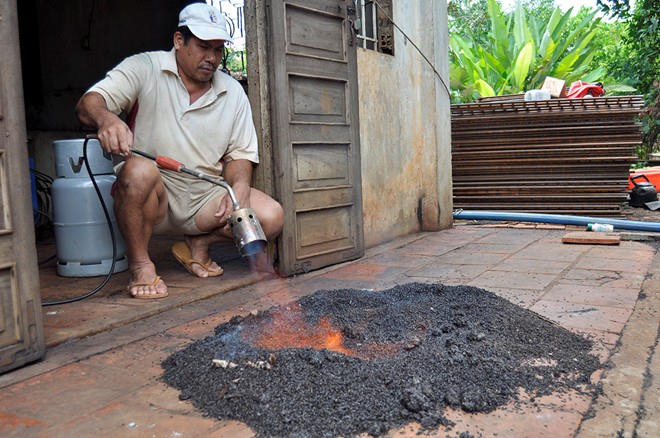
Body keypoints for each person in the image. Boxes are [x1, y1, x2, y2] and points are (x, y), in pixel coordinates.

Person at [76, 3, 284, 299]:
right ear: (179, 41)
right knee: (136, 170)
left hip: (204, 198)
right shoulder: (145, 67)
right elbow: (88, 103)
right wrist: (107, 119)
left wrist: (239, 187)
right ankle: (140, 264)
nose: (211, 58)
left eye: (218, 49)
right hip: (154, 194)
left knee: (271, 217)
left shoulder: (232, 91)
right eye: (202, 47)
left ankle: (198, 244)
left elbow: (239, 154)